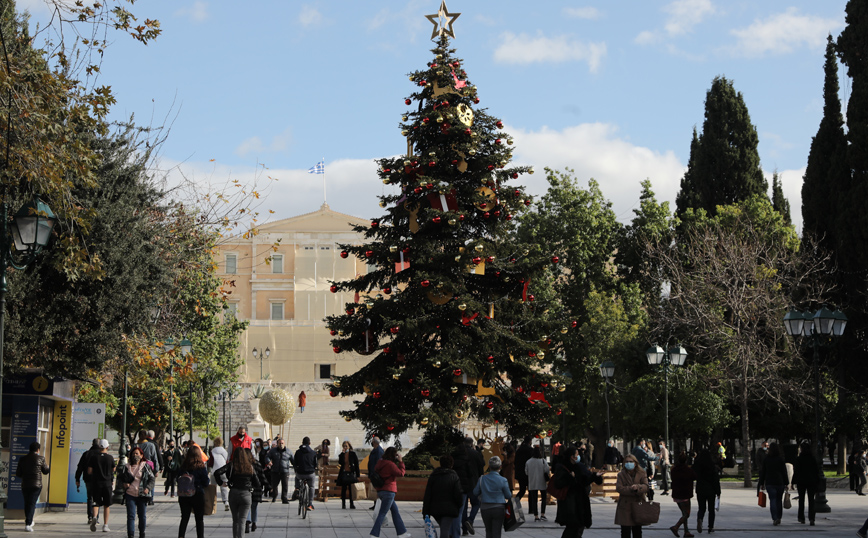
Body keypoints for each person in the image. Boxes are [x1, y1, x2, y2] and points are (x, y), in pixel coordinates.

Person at [554, 446, 604, 538]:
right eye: (577, 454)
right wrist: (570, 478)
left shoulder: (579, 467)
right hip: (569, 502)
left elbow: (584, 480)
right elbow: (558, 483)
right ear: (572, 457)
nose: (578, 456)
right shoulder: (562, 468)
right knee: (572, 527)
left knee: (578, 527)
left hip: (580, 501)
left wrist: (595, 476)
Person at [215, 447, 261, 538]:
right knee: (242, 520)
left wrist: (221, 483)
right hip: (246, 494)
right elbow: (257, 483)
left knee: (235, 520)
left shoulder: (231, 465)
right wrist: (250, 486)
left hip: (234, 493)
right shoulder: (249, 467)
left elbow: (217, 472)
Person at [370, 446, 410, 538]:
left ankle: (402, 533)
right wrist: (400, 462)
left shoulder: (380, 462)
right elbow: (401, 473)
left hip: (380, 491)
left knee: (395, 512)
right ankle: (374, 534)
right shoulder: (390, 465)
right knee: (382, 513)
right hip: (389, 491)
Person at [423, 454, 463, 538]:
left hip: (435, 508)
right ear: (451, 465)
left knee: (444, 527)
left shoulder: (434, 476)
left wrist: (425, 511)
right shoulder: (454, 476)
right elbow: (458, 493)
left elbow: (428, 494)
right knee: (445, 530)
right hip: (450, 508)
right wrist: (459, 505)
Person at [473, 456, 513, 538]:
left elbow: (475, 492)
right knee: (497, 531)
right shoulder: (503, 480)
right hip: (499, 508)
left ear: (489, 467)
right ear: (500, 467)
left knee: (488, 530)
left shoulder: (482, 479)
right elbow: (508, 495)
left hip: (485, 507)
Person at [453, 436, 484, 536]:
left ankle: (465, 530)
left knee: (464, 507)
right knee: (476, 503)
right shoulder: (475, 453)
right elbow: (481, 466)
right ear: (471, 444)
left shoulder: (458, 454)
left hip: (461, 483)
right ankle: (470, 520)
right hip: (473, 483)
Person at [177, 444, 210, 538]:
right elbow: (206, 482)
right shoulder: (201, 467)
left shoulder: (183, 467)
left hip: (184, 495)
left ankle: (181, 536)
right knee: (199, 519)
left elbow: (177, 479)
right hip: (197, 494)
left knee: (184, 518)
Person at [122, 446, 155, 538]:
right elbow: (122, 479)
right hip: (130, 494)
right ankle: (131, 535)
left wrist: (148, 488)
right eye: (133, 454)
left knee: (142, 515)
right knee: (131, 516)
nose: (135, 455)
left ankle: (142, 533)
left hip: (142, 494)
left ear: (141, 455)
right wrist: (124, 484)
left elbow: (152, 479)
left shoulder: (145, 466)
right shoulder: (126, 467)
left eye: (137, 453)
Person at [16, 441, 49, 532]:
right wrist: (48, 467)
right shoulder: (41, 458)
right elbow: (45, 471)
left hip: (25, 484)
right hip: (36, 485)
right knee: (31, 503)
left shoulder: (22, 459)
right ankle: (28, 524)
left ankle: (29, 521)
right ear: (38, 450)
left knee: (27, 503)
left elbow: (18, 473)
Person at [615, 453, 649, 538]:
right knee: (625, 531)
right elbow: (619, 488)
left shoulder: (642, 473)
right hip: (625, 506)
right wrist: (631, 489)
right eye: (626, 462)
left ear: (635, 463)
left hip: (638, 504)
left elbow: (646, 486)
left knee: (637, 531)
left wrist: (638, 487)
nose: (628, 463)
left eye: (630, 461)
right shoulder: (621, 474)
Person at [757, 442, 789, 525]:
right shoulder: (780, 459)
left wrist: (762, 483)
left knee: (773, 500)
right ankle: (779, 517)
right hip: (779, 482)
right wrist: (786, 483)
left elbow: (763, 472)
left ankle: (774, 518)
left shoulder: (767, 459)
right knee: (779, 500)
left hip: (770, 482)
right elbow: (784, 472)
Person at [88, 439, 115, 533]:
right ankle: (105, 525)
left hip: (96, 483)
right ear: (107, 447)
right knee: (107, 505)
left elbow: (89, 471)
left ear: (99, 447)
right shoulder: (110, 458)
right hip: (107, 483)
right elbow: (113, 470)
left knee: (96, 502)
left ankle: (94, 517)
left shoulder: (93, 457)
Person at [668, 451, 697, 537]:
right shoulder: (688, 470)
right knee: (686, 514)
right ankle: (676, 527)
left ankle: (686, 531)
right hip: (685, 495)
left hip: (677, 495)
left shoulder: (674, 470)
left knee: (683, 513)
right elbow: (695, 477)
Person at [692, 448, 720, 534]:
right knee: (711, 509)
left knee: (701, 508)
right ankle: (710, 527)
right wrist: (718, 492)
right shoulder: (712, 466)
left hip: (700, 489)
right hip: (711, 490)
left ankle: (700, 519)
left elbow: (693, 475)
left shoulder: (697, 465)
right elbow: (716, 480)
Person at [791, 442, 819, 525]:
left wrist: (793, 482)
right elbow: (816, 471)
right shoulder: (812, 458)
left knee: (801, 500)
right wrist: (817, 481)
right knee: (811, 500)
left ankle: (801, 517)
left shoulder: (799, 459)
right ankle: (812, 518)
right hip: (811, 481)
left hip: (801, 481)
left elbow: (796, 471)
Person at [75, 438, 101, 525]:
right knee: (97, 498)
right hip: (99, 479)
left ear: (92, 444)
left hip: (88, 479)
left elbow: (80, 467)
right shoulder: (101, 454)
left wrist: (77, 479)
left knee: (90, 497)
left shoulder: (86, 454)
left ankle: (90, 517)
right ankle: (96, 517)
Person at [245, 447, 267, 533]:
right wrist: (268, 486)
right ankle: (254, 522)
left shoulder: (243, 465)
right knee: (254, 506)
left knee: (247, 506)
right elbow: (262, 477)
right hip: (257, 488)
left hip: (247, 488)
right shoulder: (257, 464)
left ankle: (247, 522)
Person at [525, 446, 550, 522]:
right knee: (544, 498)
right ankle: (542, 514)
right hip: (542, 481)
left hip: (532, 482)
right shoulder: (543, 461)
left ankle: (536, 515)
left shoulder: (528, 462)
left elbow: (526, 472)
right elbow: (547, 470)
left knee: (534, 499)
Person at [294, 436, 318, 511]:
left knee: (296, 477)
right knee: (311, 487)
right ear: (309, 443)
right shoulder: (313, 453)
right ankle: (310, 504)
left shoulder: (298, 452)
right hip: (310, 473)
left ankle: (297, 488)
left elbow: (295, 463)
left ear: (302, 443)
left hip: (300, 473)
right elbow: (315, 464)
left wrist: (297, 469)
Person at [267, 438, 294, 503]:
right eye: (279, 443)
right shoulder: (273, 451)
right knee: (274, 485)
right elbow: (267, 456)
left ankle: (284, 498)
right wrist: (268, 461)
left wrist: (296, 467)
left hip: (284, 471)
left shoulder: (289, 451)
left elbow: (293, 460)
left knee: (285, 485)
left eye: (282, 443)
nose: (281, 444)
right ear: (277, 444)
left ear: (284, 443)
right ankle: (274, 496)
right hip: (275, 470)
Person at [338, 441, 360, 509]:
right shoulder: (342, 454)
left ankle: (351, 503)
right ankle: (343, 504)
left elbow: (356, 465)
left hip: (351, 474)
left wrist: (357, 475)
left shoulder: (353, 454)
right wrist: (342, 453)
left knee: (351, 490)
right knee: (343, 489)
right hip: (344, 474)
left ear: (349, 446)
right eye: (344, 446)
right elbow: (340, 462)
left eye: (346, 446)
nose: (345, 447)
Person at [210, 437, 230, 511]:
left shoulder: (212, 451)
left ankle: (212, 503)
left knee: (213, 487)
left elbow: (211, 463)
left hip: (215, 471)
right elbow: (227, 461)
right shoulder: (224, 451)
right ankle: (226, 502)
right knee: (224, 486)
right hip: (223, 471)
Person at [515, 437, 534, 507]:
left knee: (522, 490)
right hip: (529, 473)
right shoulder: (531, 450)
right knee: (530, 491)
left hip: (520, 474)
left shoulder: (519, 450)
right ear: (530, 441)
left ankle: (515, 503)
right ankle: (531, 508)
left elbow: (516, 462)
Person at [368, 437, 384, 510]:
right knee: (376, 489)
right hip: (373, 473)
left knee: (378, 489)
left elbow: (378, 463)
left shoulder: (378, 451)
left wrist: (375, 472)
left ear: (374, 442)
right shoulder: (375, 450)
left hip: (376, 474)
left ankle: (378, 505)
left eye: (372, 441)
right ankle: (376, 504)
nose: (371, 442)